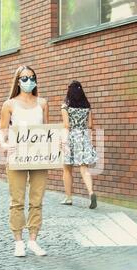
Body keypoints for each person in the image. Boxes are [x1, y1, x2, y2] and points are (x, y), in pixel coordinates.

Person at [0, 65, 49, 257]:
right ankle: (18, 242)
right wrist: (3, 143)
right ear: (18, 81)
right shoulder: (9, 104)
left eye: (32, 77)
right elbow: (2, 130)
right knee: (17, 200)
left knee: (37, 200)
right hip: (17, 156)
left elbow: (47, 130)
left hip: (40, 156)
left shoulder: (42, 103)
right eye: (24, 78)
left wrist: (58, 143)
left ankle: (33, 240)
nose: (29, 81)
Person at [60, 80, 98, 209]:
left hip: (71, 137)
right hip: (83, 137)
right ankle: (91, 192)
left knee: (67, 168)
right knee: (84, 168)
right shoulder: (87, 105)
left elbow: (66, 125)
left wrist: (63, 142)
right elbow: (90, 125)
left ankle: (69, 198)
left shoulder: (65, 106)